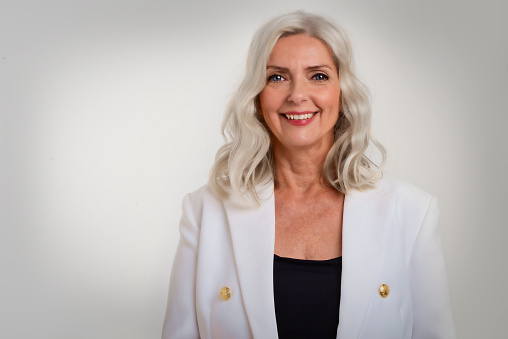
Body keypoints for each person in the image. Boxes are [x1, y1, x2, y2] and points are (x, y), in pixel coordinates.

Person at [162, 10, 456, 339]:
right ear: (257, 97)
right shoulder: (205, 212)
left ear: (342, 92)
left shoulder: (413, 211)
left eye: (318, 76)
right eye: (277, 77)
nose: (297, 95)